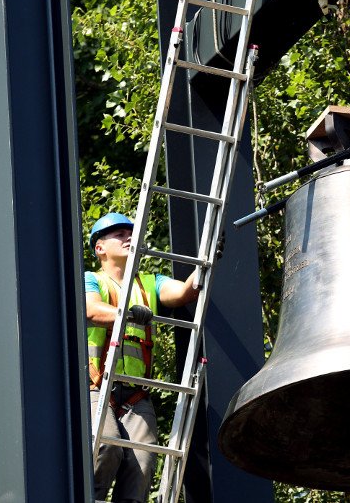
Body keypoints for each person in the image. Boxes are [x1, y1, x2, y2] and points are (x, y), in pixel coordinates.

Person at [85, 213, 199, 502]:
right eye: (119, 234)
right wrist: (126, 313)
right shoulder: (92, 280)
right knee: (106, 447)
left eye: (130, 233)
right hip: (99, 387)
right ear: (100, 248)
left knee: (144, 463)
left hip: (136, 395)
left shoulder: (149, 282)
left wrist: (205, 267)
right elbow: (91, 310)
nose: (127, 237)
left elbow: (183, 293)